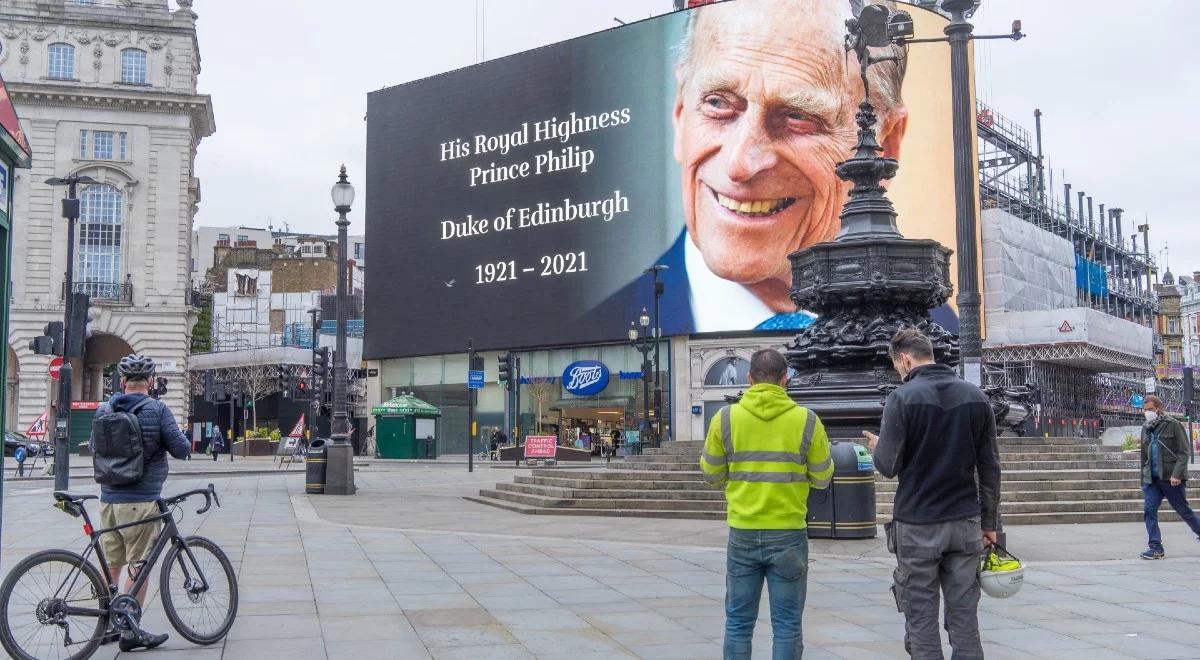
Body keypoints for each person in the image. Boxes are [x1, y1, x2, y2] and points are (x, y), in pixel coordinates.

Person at [587, 0, 958, 337]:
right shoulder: (600, 329)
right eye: (717, 103)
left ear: (887, 143)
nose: (739, 164)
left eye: (798, 117)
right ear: (680, 113)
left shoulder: (943, 330)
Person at [862, 328, 1000, 660]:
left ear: (905, 360)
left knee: (921, 617)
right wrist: (989, 522)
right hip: (965, 521)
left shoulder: (902, 398)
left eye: (898, 366)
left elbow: (889, 466)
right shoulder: (975, 397)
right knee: (965, 617)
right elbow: (990, 467)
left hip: (918, 523)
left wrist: (879, 446)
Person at [700, 348, 833, 659]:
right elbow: (823, 476)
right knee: (787, 623)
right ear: (785, 380)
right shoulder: (807, 420)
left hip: (743, 530)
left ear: (749, 379)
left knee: (738, 623)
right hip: (788, 531)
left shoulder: (726, 418)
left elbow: (710, 473)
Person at [94, 354, 191, 651]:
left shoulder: (103, 409)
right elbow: (181, 449)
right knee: (140, 566)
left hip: (108, 500)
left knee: (111, 564)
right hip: (141, 501)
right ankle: (130, 630)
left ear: (122, 382)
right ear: (151, 382)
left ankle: (107, 622)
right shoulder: (157, 409)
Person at [1138, 395, 1200, 560]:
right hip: (1152, 479)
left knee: (1184, 511)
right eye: (1145, 410)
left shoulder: (1172, 425)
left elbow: (1184, 452)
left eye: (1150, 409)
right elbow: (1143, 455)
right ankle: (1155, 547)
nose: (1147, 412)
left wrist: (1177, 474)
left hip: (1171, 478)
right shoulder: (1146, 428)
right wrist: (1143, 478)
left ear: (1159, 408)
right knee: (1149, 511)